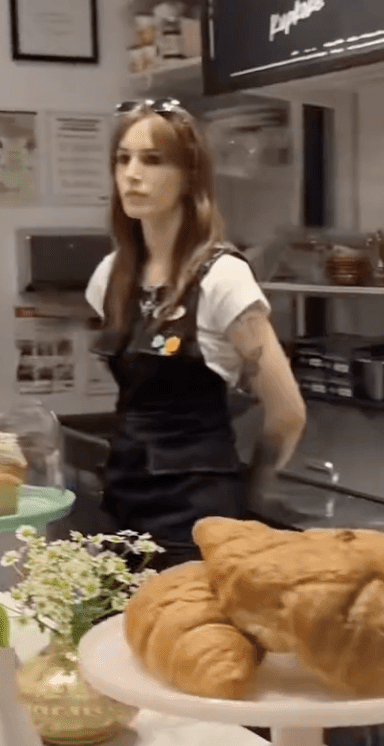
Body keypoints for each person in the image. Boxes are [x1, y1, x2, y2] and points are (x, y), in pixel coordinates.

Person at [86, 99, 306, 565]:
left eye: (152, 160)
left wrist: (252, 489)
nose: (132, 174)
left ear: (189, 176)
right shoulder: (111, 275)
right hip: (122, 506)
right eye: (123, 159)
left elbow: (287, 412)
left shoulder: (223, 278)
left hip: (198, 517)